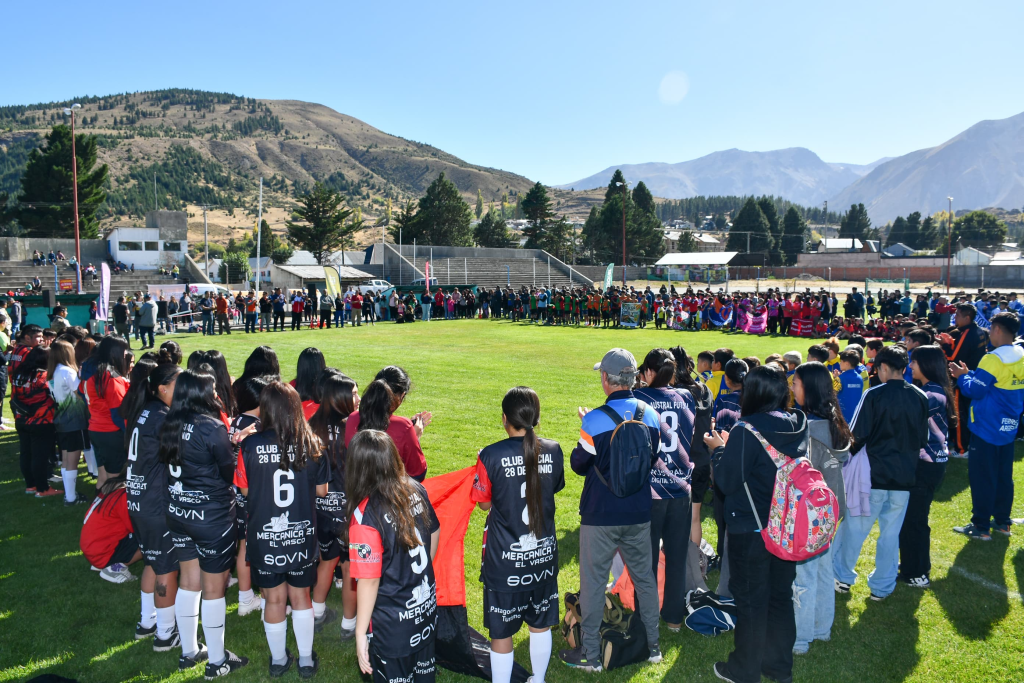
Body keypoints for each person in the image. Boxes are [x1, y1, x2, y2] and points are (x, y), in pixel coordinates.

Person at [560, 348, 662, 672]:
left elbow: (579, 464)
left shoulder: (594, 420)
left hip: (600, 514)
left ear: (606, 379)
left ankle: (591, 655)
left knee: (592, 582)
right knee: (644, 579)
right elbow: (651, 458)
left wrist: (591, 429)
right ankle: (654, 648)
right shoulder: (651, 414)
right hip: (638, 511)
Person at [704, 364, 806, 683]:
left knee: (750, 600)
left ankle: (744, 670)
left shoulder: (746, 430)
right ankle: (778, 666)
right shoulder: (797, 422)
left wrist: (719, 451)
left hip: (753, 530)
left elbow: (727, 481)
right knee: (779, 597)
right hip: (786, 525)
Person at [158, 368, 248, 677]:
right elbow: (227, 472)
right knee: (213, 589)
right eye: (210, 390)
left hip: (179, 512)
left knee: (189, 581)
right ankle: (217, 661)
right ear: (198, 394)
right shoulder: (210, 427)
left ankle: (189, 652)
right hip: (211, 517)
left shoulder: (169, 422)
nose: (215, 394)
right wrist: (236, 445)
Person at [471, 386, 564, 683]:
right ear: (535, 418)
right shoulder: (554, 448)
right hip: (543, 558)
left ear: (504, 419)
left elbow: (484, 503)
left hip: (505, 562)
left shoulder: (491, 455)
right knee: (540, 624)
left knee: (501, 632)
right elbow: (555, 487)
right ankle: (538, 679)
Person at [235, 381, 328, 678]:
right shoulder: (312, 443)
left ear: (266, 409)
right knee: (300, 597)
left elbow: (246, 490)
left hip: (264, 536)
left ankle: (278, 660)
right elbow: (323, 491)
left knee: (273, 599)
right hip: (300, 534)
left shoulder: (249, 444)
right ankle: (305, 660)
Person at [832, 346, 928, 601]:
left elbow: (857, 435)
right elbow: (922, 438)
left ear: (883, 368)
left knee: (854, 529)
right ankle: (882, 587)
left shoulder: (874, 394)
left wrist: (844, 458)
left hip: (872, 478)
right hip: (904, 478)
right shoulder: (919, 396)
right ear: (904, 368)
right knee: (890, 535)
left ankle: (841, 577)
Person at [347, 429, 440, 682]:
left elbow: (369, 580)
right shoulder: (415, 488)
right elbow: (435, 530)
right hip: (425, 613)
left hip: (393, 626)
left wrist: (360, 634)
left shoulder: (365, 516)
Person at [791, 362, 851, 654]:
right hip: (832, 507)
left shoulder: (807, 429)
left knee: (804, 574)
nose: (792, 388)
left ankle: (801, 638)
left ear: (810, 389)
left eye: (796, 383)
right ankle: (821, 628)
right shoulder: (835, 422)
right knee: (823, 570)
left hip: (810, 512)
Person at [633, 349, 695, 630]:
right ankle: (673, 618)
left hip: (651, 490)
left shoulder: (640, 399)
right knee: (676, 556)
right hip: (681, 488)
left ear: (648, 372)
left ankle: (645, 617)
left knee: (645, 558)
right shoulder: (687, 396)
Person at [123, 362, 184, 649]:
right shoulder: (163, 418)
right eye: (178, 383)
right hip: (155, 503)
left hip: (138, 499)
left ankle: (147, 621)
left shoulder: (146, 410)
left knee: (152, 560)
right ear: (162, 387)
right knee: (166, 569)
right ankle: (165, 633)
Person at [950, 311, 1024, 540]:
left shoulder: (993, 358)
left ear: (998, 330)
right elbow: (996, 383)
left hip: (986, 426)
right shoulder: (1020, 353)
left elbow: (975, 390)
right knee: (1003, 476)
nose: (989, 333)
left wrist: (963, 377)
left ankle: (980, 526)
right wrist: (971, 373)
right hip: (1008, 425)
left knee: (982, 476)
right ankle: (1002, 522)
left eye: (991, 329)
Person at [896, 345, 953, 585]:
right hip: (930, 464)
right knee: (912, 519)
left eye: (914, 362)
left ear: (927, 364)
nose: (910, 366)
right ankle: (912, 564)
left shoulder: (930, 395)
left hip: (925, 466)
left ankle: (917, 573)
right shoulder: (933, 390)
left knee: (914, 521)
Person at [309, 373, 360, 637]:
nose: (358, 398)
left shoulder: (310, 425)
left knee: (327, 561)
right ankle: (349, 624)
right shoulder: (353, 426)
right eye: (353, 393)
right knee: (350, 568)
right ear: (339, 397)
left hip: (320, 510)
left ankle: (317, 612)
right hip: (348, 511)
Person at [227, 375, 270, 619]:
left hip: (237, 491)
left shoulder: (238, 420)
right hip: (250, 491)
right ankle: (261, 599)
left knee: (244, 543)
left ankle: (246, 597)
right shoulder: (255, 426)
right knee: (255, 544)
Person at [345, 366, 432, 481]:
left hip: (355, 492)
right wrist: (415, 438)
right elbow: (418, 473)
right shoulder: (403, 426)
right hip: (388, 495)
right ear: (401, 395)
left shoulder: (352, 418)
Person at [941, 302, 989, 455]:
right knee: (969, 411)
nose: (955, 318)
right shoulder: (980, 331)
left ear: (967, 317)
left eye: (958, 315)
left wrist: (945, 344)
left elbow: (953, 357)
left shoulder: (967, 333)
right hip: (974, 376)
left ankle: (962, 449)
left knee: (960, 413)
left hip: (962, 378)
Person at [12, 346, 60, 498]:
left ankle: (30, 485)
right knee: (40, 456)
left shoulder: (19, 374)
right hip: (41, 421)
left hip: (21, 419)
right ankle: (43, 489)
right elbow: (56, 396)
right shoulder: (44, 376)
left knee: (26, 453)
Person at [85, 336, 132, 487]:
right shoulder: (111, 378)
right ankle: (110, 509)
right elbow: (118, 413)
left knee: (103, 476)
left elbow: (81, 392)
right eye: (124, 352)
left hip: (96, 429)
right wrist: (129, 434)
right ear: (115, 353)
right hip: (111, 432)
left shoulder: (93, 373)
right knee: (115, 479)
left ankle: (98, 508)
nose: (126, 355)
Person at [80, 474, 142, 584]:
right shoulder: (124, 495)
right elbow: (137, 528)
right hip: (101, 551)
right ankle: (115, 568)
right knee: (154, 538)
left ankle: (104, 561)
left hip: (92, 548)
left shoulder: (112, 487)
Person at [48, 339, 89, 505]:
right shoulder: (67, 372)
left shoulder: (53, 372)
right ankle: (71, 498)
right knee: (72, 459)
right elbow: (81, 393)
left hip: (61, 419)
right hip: (74, 420)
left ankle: (69, 494)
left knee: (65, 458)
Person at [836, 348, 864, 424]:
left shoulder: (841, 378)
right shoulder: (859, 378)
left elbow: (833, 392)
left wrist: (835, 379)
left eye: (841, 361)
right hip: (856, 415)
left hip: (842, 414)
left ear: (847, 363)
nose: (839, 363)